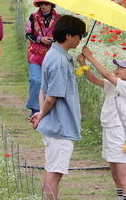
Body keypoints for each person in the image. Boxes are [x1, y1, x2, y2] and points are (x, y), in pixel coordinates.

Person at [30, 15, 87, 200]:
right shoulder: (60, 62)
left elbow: (42, 91)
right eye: (81, 35)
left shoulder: (53, 54)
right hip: (60, 125)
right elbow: (51, 97)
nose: (81, 39)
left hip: (54, 123)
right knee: (55, 173)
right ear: (70, 36)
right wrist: (41, 115)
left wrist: (41, 114)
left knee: (51, 170)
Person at [77, 46, 126, 200]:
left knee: (122, 176)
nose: (117, 69)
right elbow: (93, 79)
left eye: (121, 67)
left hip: (118, 132)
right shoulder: (115, 84)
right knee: (114, 173)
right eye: (117, 66)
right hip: (109, 130)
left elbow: (105, 73)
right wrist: (83, 63)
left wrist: (91, 57)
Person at [25, 0, 61, 117]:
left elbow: (62, 37)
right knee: (35, 80)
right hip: (34, 55)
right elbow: (28, 34)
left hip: (52, 55)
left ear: (52, 4)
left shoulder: (59, 19)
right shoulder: (32, 17)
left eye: (46, 3)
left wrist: (53, 40)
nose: (43, 6)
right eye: (41, 3)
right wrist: (40, 39)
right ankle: (34, 108)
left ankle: (46, 108)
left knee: (50, 83)